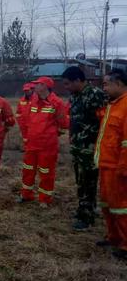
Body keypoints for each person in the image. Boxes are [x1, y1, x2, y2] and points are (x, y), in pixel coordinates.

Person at [62, 66, 106, 230]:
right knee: (81, 180)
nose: (65, 88)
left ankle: (86, 217)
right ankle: (87, 208)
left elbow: (104, 120)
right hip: (78, 147)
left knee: (87, 181)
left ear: (78, 81)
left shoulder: (96, 95)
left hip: (90, 147)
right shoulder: (74, 97)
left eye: (67, 84)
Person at [20, 76, 69, 207]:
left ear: (45, 86)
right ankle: (26, 195)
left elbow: (64, 124)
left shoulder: (57, 103)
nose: (34, 86)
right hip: (32, 143)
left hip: (47, 146)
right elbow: (28, 120)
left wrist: (52, 135)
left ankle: (44, 199)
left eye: (37, 84)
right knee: (28, 169)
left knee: (46, 172)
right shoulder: (33, 101)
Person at [94, 68, 127, 259]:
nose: (103, 88)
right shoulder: (112, 105)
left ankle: (125, 245)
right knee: (107, 204)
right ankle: (114, 237)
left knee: (121, 206)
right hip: (106, 165)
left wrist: (124, 167)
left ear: (120, 84)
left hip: (118, 168)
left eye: (107, 84)